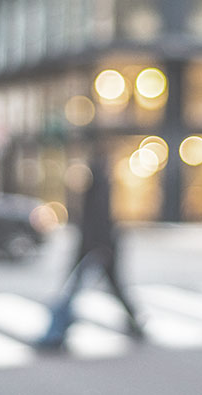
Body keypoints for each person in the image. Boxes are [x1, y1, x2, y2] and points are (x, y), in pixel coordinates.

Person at [37, 144, 143, 349]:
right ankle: (134, 323)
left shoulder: (98, 184)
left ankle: (57, 332)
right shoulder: (102, 183)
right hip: (100, 246)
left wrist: (94, 247)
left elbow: (97, 219)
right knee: (111, 289)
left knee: (75, 291)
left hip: (96, 247)